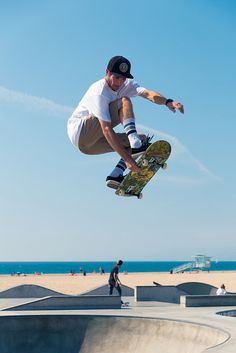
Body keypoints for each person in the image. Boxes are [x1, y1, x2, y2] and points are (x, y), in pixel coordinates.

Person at [67, 55, 184, 189]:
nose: (119, 82)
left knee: (142, 140)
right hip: (82, 132)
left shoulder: (127, 85)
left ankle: (115, 175)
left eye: (123, 78)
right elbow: (106, 129)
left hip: (89, 147)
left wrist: (168, 102)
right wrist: (128, 159)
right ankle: (135, 145)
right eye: (116, 77)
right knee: (124, 101)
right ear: (107, 72)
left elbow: (148, 94)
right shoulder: (99, 92)